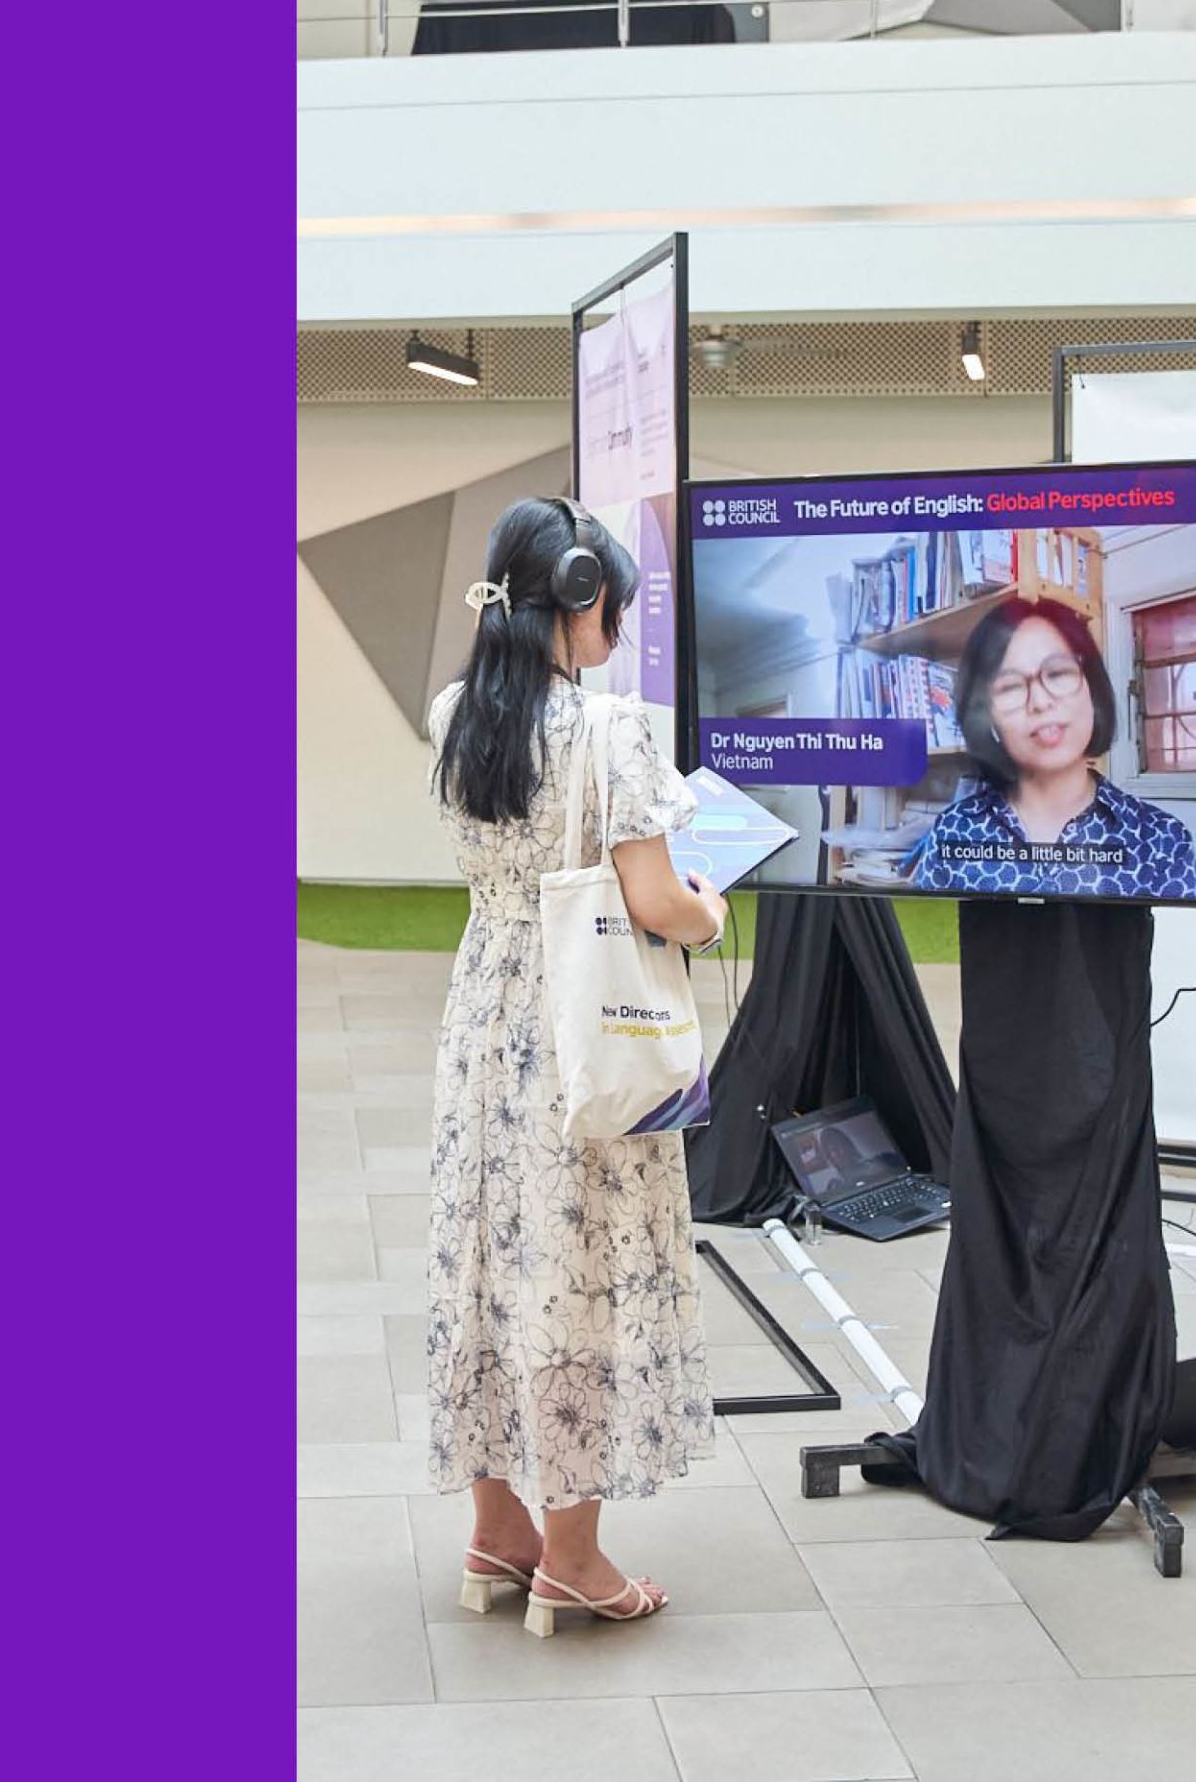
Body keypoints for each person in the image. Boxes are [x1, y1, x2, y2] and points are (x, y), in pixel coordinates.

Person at [421, 497, 728, 1634]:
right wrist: (706, 912)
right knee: (579, 1273)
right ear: (583, 594)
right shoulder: (607, 730)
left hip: (482, 1018)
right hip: (580, 1030)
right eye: (611, 612)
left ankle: (497, 1535)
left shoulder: (459, 713)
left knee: (491, 1264)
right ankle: (575, 1560)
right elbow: (652, 901)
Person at [904, 597, 1196, 899]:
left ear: (1093, 689)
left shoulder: (1163, 842)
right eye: (1010, 687)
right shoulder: (953, 832)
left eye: (1058, 674)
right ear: (986, 717)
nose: (1040, 702)